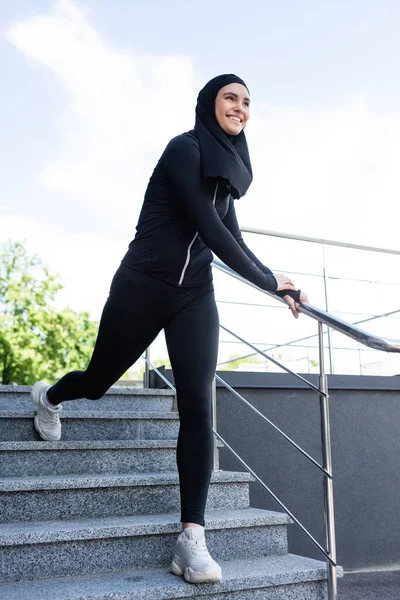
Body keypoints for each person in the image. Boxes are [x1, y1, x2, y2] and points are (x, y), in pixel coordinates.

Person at [30, 74, 307, 585]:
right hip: (142, 285)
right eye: (231, 97)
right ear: (209, 104)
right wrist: (268, 281)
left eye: (247, 102)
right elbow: (208, 226)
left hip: (194, 297)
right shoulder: (184, 150)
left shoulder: (227, 174)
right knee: (96, 382)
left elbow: (234, 238)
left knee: (199, 405)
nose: (240, 107)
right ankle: (49, 396)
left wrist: (278, 282)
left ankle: (191, 540)